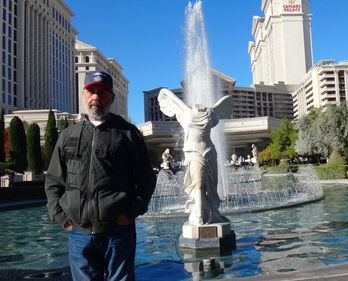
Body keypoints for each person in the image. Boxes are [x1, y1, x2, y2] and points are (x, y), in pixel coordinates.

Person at [45, 71, 156, 281]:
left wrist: (129, 213)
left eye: (102, 92)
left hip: (118, 230)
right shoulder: (68, 135)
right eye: (91, 91)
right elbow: (53, 180)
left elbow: (146, 179)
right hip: (79, 232)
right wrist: (62, 217)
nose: (96, 96)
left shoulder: (128, 134)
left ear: (111, 98)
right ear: (84, 95)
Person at [157, 88, 232, 225]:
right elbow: (163, 93)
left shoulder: (210, 112)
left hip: (210, 152)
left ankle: (212, 213)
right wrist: (165, 92)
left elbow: (228, 103)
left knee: (211, 186)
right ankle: (199, 215)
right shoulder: (185, 111)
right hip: (194, 152)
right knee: (198, 184)